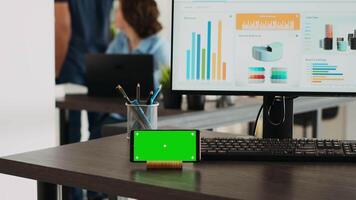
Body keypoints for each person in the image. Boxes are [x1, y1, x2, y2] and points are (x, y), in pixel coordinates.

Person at [55, 0, 113, 199]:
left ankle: (73, 194)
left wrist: (55, 68)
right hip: (101, 63)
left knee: (70, 138)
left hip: (73, 64)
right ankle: (96, 192)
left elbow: (62, 26)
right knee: (97, 134)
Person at [107, 0, 170, 87]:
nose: (114, 13)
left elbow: (165, 86)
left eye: (118, 10)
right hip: (119, 99)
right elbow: (106, 70)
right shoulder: (120, 40)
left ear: (130, 14)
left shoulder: (160, 47)